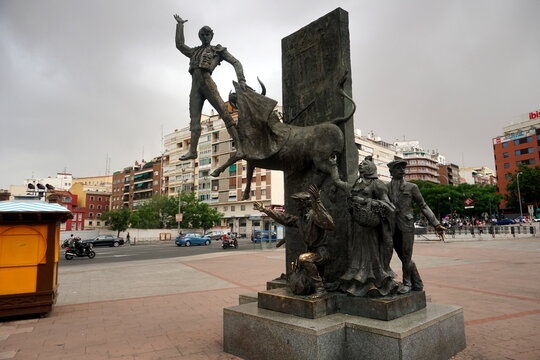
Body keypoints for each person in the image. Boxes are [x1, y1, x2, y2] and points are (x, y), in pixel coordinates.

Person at [173, 14, 246, 161]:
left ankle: (240, 147)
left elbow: (236, 62)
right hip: (195, 86)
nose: (205, 36)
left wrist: (241, 79)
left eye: (208, 34)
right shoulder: (194, 51)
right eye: (203, 34)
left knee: (224, 113)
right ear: (200, 36)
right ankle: (193, 151)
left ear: (211, 36)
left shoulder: (217, 50)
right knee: (194, 120)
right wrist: (180, 25)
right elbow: (180, 45)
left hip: (207, 82)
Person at [253, 185, 335, 297]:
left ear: (304, 203)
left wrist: (317, 202)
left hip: (322, 252)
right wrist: (265, 210)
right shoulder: (301, 220)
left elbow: (329, 224)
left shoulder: (314, 216)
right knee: (301, 267)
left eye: (297, 202)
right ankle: (316, 283)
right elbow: (284, 218)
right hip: (312, 252)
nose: (295, 205)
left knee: (304, 258)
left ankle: (320, 288)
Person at [334, 156, 398, 297]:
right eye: (360, 164)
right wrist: (333, 166)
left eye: (364, 164)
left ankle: (375, 282)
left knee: (372, 254)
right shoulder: (357, 183)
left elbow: (389, 206)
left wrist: (365, 201)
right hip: (357, 226)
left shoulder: (378, 184)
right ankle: (358, 282)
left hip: (371, 227)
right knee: (357, 254)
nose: (361, 165)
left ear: (371, 167)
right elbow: (338, 183)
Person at [387, 160, 445, 294]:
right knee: (402, 256)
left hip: (406, 225)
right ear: (391, 171)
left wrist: (436, 223)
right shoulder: (385, 187)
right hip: (391, 226)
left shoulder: (412, 187)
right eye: (398, 168)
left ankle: (407, 283)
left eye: (403, 168)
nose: (402, 170)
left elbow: (423, 205)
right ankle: (418, 283)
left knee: (407, 256)